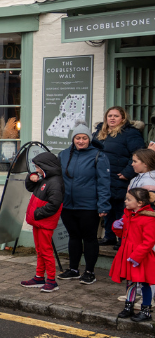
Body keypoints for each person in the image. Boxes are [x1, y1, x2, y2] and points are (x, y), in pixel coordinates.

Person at [57, 122, 111, 285]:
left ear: (89, 139)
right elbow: (56, 176)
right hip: (68, 205)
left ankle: (89, 272)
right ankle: (73, 269)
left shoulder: (98, 155)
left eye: (84, 138)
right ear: (73, 139)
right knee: (73, 237)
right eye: (78, 138)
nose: (81, 141)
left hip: (89, 206)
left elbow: (104, 182)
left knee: (89, 238)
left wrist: (103, 205)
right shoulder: (64, 154)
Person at [94, 106, 146, 246]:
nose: (112, 118)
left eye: (116, 116)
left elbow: (139, 154)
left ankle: (122, 239)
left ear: (123, 118)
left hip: (120, 177)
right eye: (110, 115)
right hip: (103, 177)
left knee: (121, 210)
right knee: (107, 207)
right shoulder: (100, 132)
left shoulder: (130, 133)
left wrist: (127, 172)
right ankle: (109, 237)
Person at [20, 152, 64, 292]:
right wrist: (30, 177)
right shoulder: (46, 179)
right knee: (40, 251)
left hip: (44, 222)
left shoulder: (55, 182)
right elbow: (30, 187)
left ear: (46, 166)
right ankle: (39, 277)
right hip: (39, 221)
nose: (37, 170)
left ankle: (51, 280)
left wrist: (37, 213)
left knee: (46, 251)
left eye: (38, 167)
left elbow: (54, 204)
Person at [110, 188, 155, 322]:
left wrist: (137, 256)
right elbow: (122, 234)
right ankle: (128, 307)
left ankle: (145, 310)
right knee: (130, 281)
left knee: (144, 283)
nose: (125, 201)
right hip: (127, 253)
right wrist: (116, 227)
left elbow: (149, 241)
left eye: (129, 199)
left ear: (140, 203)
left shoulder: (149, 218)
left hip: (140, 256)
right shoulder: (128, 214)